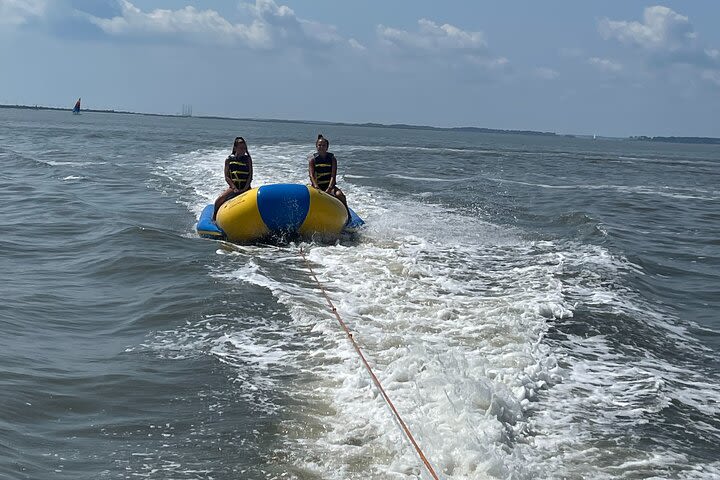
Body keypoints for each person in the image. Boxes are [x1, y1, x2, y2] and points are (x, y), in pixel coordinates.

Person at [213, 136, 253, 221]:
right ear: (235, 148)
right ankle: (214, 218)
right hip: (233, 187)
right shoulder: (229, 159)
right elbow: (227, 177)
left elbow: (250, 176)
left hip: (246, 187)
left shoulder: (248, 159)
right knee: (219, 200)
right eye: (241, 148)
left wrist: (245, 188)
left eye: (244, 148)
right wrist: (234, 188)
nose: (243, 150)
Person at [308, 134, 348, 212]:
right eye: (319, 145)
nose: (321, 147)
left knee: (340, 195)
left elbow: (333, 175)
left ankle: (347, 213)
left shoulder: (332, 159)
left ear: (327, 147)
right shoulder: (312, 160)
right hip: (317, 186)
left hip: (330, 186)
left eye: (324, 145)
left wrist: (329, 189)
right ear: (316, 146)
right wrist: (316, 187)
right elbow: (311, 175)